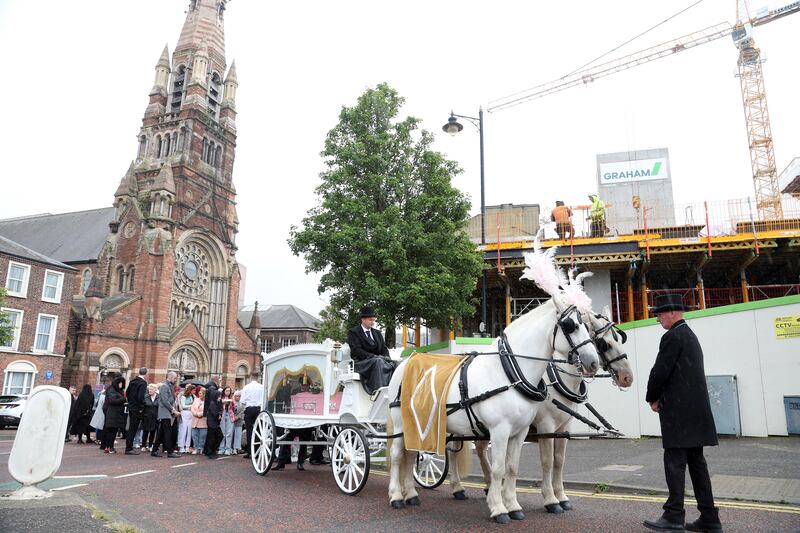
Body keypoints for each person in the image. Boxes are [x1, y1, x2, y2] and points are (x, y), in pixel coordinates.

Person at [643, 294, 722, 533]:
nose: (657, 318)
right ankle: (709, 518)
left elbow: (660, 371)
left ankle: (674, 516)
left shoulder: (673, 336)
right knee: (697, 465)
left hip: (680, 413)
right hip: (696, 413)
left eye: (659, 314)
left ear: (672, 313)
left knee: (674, 463)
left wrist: (652, 396)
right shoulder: (690, 335)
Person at [346, 306, 397, 394]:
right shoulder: (354, 332)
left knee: (394, 363)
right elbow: (356, 350)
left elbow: (384, 349)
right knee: (377, 361)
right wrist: (373, 356)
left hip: (377, 360)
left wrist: (386, 358)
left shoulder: (377, 333)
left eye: (374, 320)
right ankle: (378, 392)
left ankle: (394, 391)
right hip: (361, 363)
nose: (373, 322)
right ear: (363, 319)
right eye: (370, 320)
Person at [151, 372, 181, 458]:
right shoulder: (165, 386)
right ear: (170, 377)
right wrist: (173, 410)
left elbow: (170, 399)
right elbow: (165, 401)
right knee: (168, 432)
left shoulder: (169, 386)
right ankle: (170, 452)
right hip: (165, 412)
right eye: (174, 378)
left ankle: (154, 450)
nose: (175, 380)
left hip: (167, 412)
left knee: (161, 433)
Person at [124, 367, 148, 455]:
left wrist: (131, 402)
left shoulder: (132, 381)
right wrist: (141, 407)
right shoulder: (143, 383)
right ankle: (129, 448)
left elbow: (127, 393)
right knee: (133, 428)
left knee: (131, 427)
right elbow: (140, 397)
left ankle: (129, 446)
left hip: (131, 407)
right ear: (146, 374)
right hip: (137, 408)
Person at [240, 371, 262, 459]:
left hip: (249, 410)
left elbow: (242, 401)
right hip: (258, 410)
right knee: (259, 430)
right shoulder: (261, 387)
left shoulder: (246, 387)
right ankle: (258, 450)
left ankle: (250, 452)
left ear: (250, 377)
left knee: (249, 431)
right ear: (258, 377)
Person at [102, 376, 127, 454]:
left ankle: (108, 446)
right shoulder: (112, 390)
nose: (121, 385)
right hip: (113, 413)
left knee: (113, 431)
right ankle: (110, 447)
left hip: (116, 413)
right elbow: (112, 400)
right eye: (120, 383)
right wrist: (123, 399)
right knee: (111, 431)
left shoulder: (118, 390)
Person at [204, 385, 222, 459]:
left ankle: (210, 450)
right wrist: (219, 415)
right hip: (212, 423)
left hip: (214, 423)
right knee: (212, 438)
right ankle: (210, 452)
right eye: (219, 396)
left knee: (217, 436)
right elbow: (215, 413)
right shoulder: (213, 403)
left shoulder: (216, 403)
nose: (220, 398)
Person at [176, 384, 195, 453]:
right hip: (184, 413)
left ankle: (187, 446)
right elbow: (183, 405)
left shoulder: (193, 396)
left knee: (189, 431)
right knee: (183, 430)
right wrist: (191, 405)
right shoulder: (183, 397)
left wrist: (191, 406)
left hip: (191, 413)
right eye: (193, 390)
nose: (194, 392)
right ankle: (181, 446)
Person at [141, 384, 159, 451]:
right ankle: (143, 445)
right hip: (146, 416)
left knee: (153, 432)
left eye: (151, 389)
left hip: (155, 417)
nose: (150, 390)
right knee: (145, 431)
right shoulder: (145, 397)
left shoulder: (158, 397)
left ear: (155, 390)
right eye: (149, 389)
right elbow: (143, 406)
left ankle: (150, 445)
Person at [191, 388, 208, 455]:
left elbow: (206, 410)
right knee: (194, 435)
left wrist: (200, 414)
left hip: (203, 420)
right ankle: (196, 448)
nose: (199, 394)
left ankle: (201, 448)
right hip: (195, 420)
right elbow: (192, 408)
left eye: (201, 393)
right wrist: (196, 413)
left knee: (202, 436)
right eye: (199, 393)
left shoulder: (207, 401)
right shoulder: (196, 400)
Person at [219, 387, 235, 455]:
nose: (228, 392)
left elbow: (234, 408)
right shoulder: (220, 398)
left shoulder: (232, 398)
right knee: (222, 432)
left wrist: (231, 403)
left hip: (229, 415)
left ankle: (228, 449)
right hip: (222, 415)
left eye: (229, 391)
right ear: (224, 391)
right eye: (226, 390)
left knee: (229, 433)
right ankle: (221, 448)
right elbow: (219, 405)